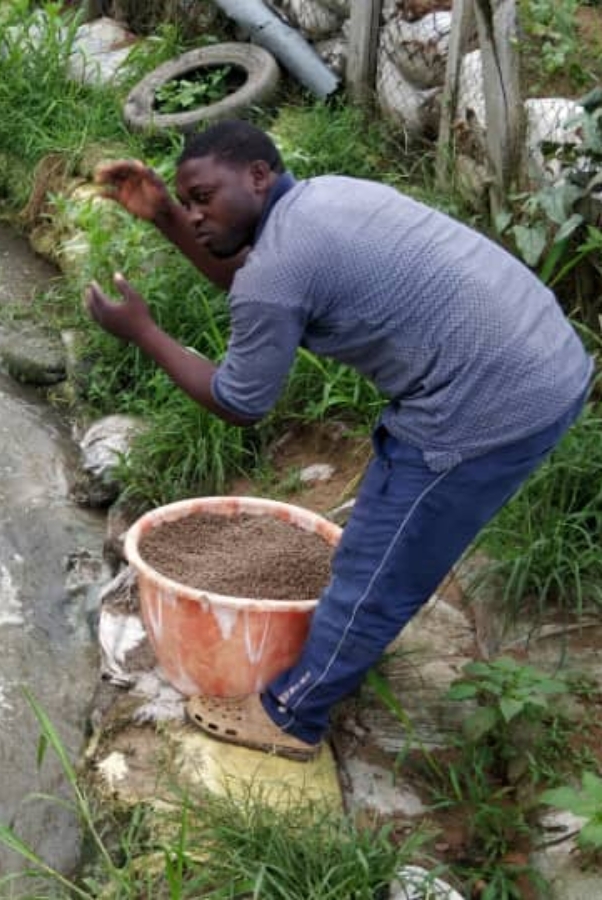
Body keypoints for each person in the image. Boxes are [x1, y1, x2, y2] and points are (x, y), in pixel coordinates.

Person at [84, 119, 594, 761]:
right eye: (185, 202)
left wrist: (143, 333)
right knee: (387, 544)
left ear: (258, 175)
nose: (195, 215)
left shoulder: (280, 264)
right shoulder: (323, 197)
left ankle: (292, 716)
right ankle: (346, 645)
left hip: (492, 399)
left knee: (378, 564)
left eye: (202, 199)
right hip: (545, 353)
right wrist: (163, 215)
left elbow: (241, 401)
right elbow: (257, 282)